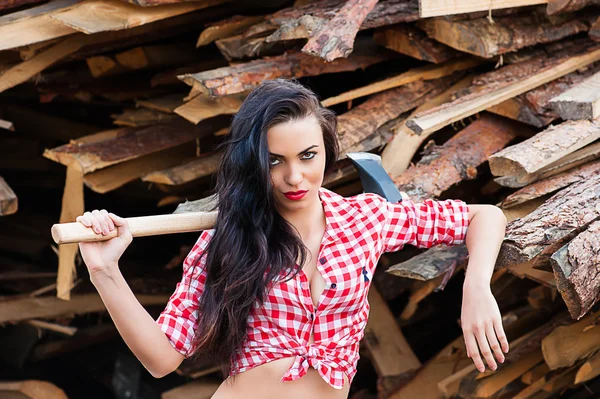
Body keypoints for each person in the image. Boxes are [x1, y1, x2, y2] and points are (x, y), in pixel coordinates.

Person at [76, 79, 509, 399]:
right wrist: (104, 271)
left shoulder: (367, 219)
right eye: (274, 161)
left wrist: (476, 287)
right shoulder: (227, 242)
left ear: (326, 149)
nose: (294, 177)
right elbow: (162, 359)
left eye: (307, 156)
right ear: (253, 163)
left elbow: (483, 217)